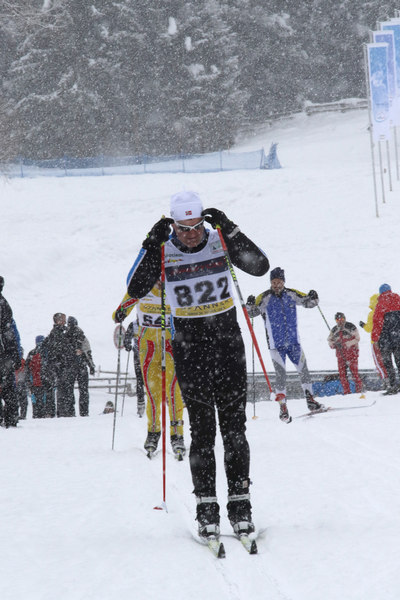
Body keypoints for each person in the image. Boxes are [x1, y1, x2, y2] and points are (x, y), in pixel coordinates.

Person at [121, 190, 269, 540]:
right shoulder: (163, 249)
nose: (191, 234)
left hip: (227, 343)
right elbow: (136, 287)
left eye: (196, 226)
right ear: (173, 225)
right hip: (189, 347)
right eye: (183, 228)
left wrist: (230, 229)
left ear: (204, 221)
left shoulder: (219, 240)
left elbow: (259, 266)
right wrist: (150, 244)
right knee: (202, 431)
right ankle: (206, 508)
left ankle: (241, 505)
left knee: (234, 429)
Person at [113, 284, 186, 458]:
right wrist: (120, 313)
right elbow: (120, 312)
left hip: (171, 345)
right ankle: (153, 433)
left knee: (173, 391)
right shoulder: (142, 285)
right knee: (153, 394)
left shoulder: (174, 286)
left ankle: (177, 435)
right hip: (148, 347)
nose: (159, 281)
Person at [246, 267, 323, 422]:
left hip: (294, 343)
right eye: (274, 282)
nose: (276, 285)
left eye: (279, 282)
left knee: (304, 371)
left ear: (283, 282)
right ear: (270, 282)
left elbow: (309, 302)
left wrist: (314, 297)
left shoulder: (291, 294)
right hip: (276, 345)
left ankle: (310, 400)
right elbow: (252, 313)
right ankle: (283, 408)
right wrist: (249, 304)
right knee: (281, 376)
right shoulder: (265, 297)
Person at [44, 313, 76, 417]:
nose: (65, 322)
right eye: (63, 320)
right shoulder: (56, 333)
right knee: (63, 389)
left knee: (66, 389)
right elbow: (59, 350)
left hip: (63, 365)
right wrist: (65, 357)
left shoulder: (62, 333)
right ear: (58, 321)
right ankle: (64, 412)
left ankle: (66, 411)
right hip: (60, 366)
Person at [0, 275, 22, 428]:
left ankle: (10, 417)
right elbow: (11, 332)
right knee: (8, 388)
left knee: (8, 387)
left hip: (5, 353)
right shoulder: (4, 304)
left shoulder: (4, 304)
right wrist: (15, 354)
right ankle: (11, 418)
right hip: (5, 354)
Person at [371, 284, 400, 395]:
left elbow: (377, 323)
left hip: (385, 340)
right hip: (398, 338)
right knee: (399, 361)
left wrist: (375, 339)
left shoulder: (380, 304)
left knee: (388, 363)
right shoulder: (398, 300)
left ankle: (393, 385)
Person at [327, 312, 364, 395]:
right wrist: (334, 344)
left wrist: (346, 344)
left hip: (352, 354)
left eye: (342, 319)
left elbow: (357, 338)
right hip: (340, 355)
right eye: (338, 320)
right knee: (342, 375)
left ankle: (359, 391)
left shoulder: (351, 326)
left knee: (355, 373)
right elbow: (329, 340)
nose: (340, 321)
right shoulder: (334, 330)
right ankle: (347, 392)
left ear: (345, 318)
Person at [66, 316, 95, 416]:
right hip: (80, 365)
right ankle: (84, 412)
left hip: (71, 366)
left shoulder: (66, 335)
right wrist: (91, 365)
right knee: (83, 390)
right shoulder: (81, 335)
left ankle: (71, 412)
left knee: (70, 390)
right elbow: (87, 352)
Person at [359, 294, 388, 387]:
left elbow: (369, 328)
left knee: (378, 362)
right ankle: (390, 380)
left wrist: (363, 325)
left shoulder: (372, 314)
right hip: (385, 341)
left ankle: (385, 380)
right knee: (387, 361)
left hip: (375, 341)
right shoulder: (385, 311)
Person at [25, 335, 56, 418]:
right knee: (48, 400)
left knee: (36, 402)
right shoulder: (48, 352)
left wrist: (28, 382)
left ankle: (38, 415)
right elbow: (53, 367)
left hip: (36, 382)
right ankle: (49, 414)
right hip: (47, 382)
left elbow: (27, 369)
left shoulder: (32, 353)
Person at [123, 320, 146, 417]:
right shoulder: (133, 324)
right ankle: (140, 405)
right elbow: (127, 336)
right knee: (139, 380)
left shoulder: (149, 321)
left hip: (150, 355)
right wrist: (127, 344)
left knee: (150, 380)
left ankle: (154, 405)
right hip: (138, 355)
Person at [15, 349, 28, 419]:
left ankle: (15, 415)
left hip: (15, 383)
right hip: (22, 382)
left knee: (15, 401)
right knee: (23, 401)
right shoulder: (24, 362)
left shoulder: (13, 361)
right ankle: (23, 415)